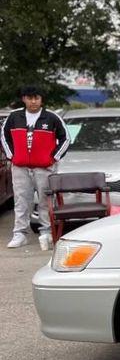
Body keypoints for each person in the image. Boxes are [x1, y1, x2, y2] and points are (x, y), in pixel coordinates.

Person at [1, 85, 69, 250]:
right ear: (24, 99)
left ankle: (46, 232)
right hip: (20, 167)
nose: (33, 101)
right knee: (21, 200)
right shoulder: (14, 116)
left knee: (46, 201)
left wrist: (53, 158)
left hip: (44, 168)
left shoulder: (52, 117)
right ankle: (20, 234)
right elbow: (4, 136)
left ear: (41, 99)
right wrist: (12, 156)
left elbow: (65, 138)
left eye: (36, 98)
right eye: (29, 98)